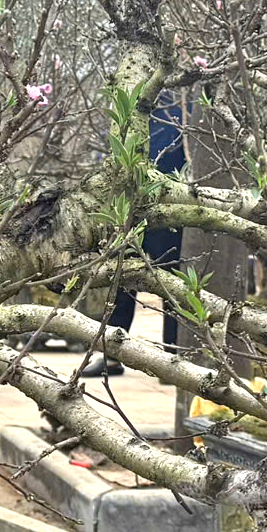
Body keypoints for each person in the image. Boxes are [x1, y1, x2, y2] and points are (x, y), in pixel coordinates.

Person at [85, 91, 189, 376]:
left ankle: (173, 355)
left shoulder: (183, 102)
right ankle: (111, 353)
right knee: (121, 276)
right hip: (131, 205)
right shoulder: (136, 101)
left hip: (170, 204)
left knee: (172, 282)